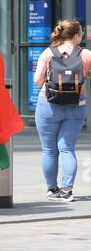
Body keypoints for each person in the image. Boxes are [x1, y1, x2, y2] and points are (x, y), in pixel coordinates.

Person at [34, 19, 91, 202]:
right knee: (67, 148)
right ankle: (67, 190)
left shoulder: (48, 53)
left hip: (48, 104)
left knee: (49, 150)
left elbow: (37, 80)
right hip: (76, 105)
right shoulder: (86, 54)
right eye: (80, 33)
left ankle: (52, 189)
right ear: (75, 36)